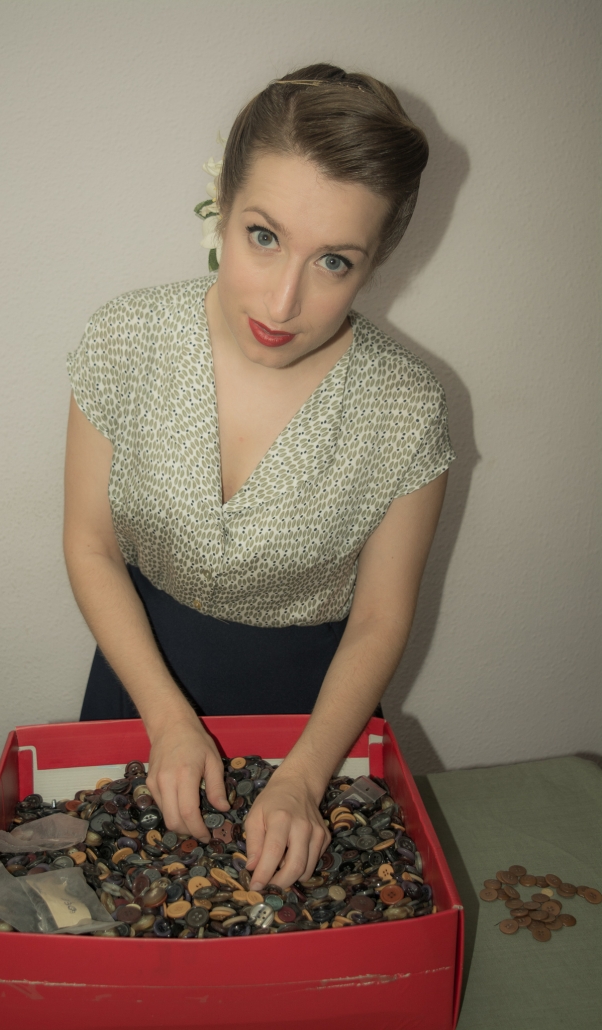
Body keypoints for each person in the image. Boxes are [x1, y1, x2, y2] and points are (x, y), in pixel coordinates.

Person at [63, 63, 455, 895]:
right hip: (140, 674)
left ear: (378, 262)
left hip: (314, 718)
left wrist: (305, 780)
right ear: (222, 206)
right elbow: (89, 542)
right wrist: (166, 719)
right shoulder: (126, 338)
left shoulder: (407, 406)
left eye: (335, 261)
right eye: (264, 237)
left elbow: (381, 617)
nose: (282, 303)